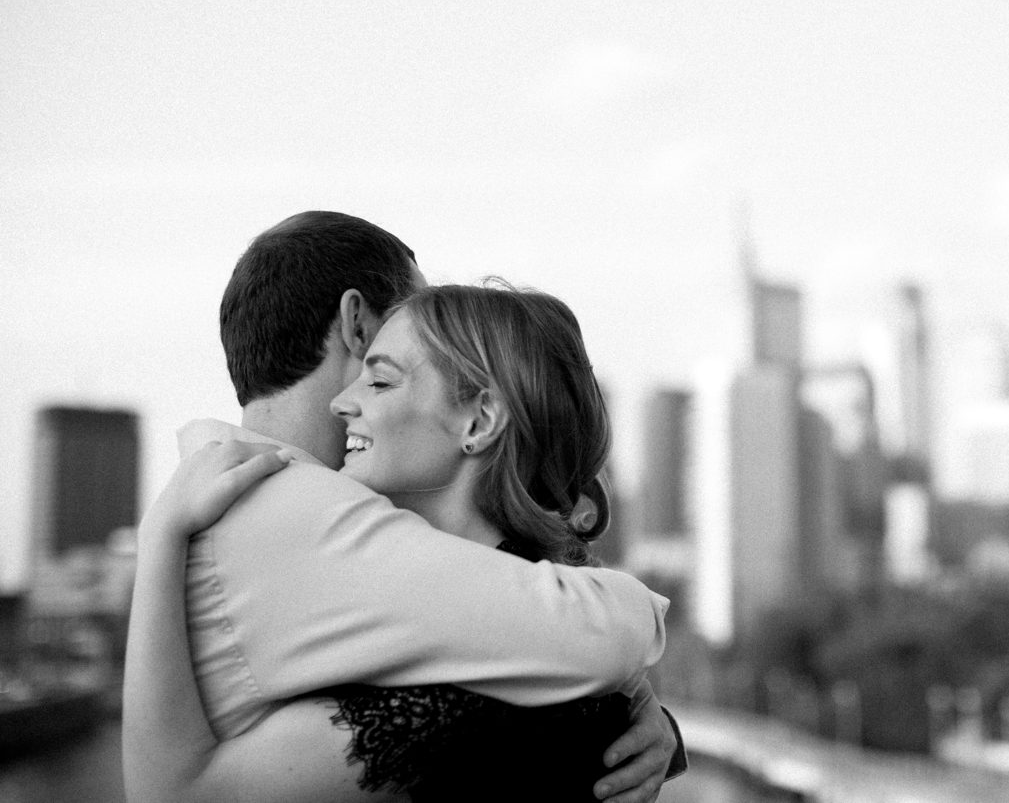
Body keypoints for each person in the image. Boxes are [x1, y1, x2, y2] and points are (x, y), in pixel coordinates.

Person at [122, 212, 682, 802]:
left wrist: (629, 696)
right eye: (378, 362)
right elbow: (596, 632)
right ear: (356, 322)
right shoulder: (307, 517)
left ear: (481, 420)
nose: (346, 402)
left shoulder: (244, 494)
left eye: (382, 381)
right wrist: (630, 672)